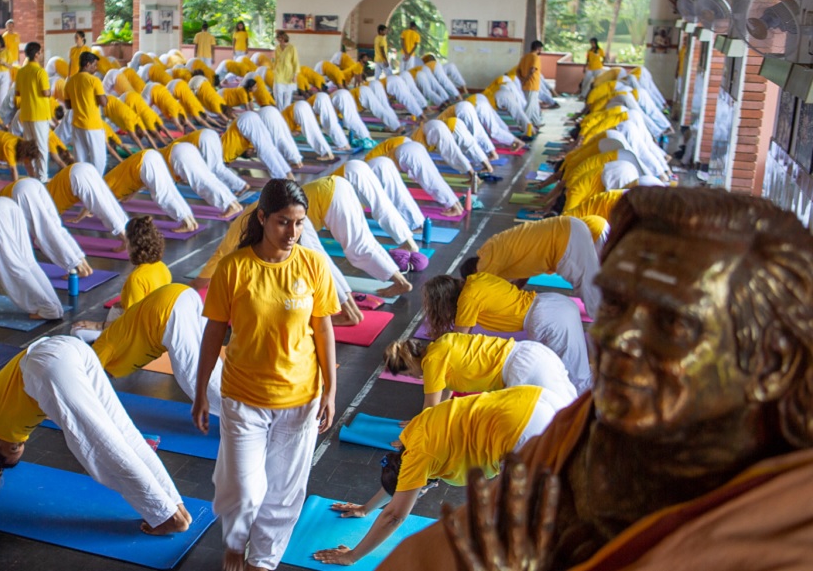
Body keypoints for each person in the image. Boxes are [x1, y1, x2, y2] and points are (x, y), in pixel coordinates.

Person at [377, 187, 813, 571]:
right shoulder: (583, 430)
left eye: (671, 324)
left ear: (774, 363)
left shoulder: (782, 537)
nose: (615, 337)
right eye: (616, 306)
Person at [0, 334, 191, 535]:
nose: (20, 446)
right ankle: (175, 506)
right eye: (19, 450)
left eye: (12, 450)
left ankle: (166, 516)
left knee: (102, 444)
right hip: (70, 349)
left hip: (48, 364)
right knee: (123, 431)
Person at [193, 179, 339, 571]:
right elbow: (213, 332)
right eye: (282, 222)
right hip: (243, 395)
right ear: (261, 218)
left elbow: (323, 327)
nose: (292, 233)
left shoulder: (312, 264)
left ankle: (263, 560)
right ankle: (236, 543)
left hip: (301, 397)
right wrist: (200, 392)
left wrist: (330, 390)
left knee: (283, 493)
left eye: (299, 223)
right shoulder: (234, 268)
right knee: (243, 490)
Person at [313, 386, 571, 566]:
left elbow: (394, 515)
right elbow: (402, 484)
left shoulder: (419, 460)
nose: (421, 492)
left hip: (525, 429)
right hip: (535, 398)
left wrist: (352, 556)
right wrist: (366, 509)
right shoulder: (414, 433)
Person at [422, 272, 590, 392]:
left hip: (547, 318)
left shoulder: (468, 299)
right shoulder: (476, 280)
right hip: (553, 303)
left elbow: (455, 342)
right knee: (573, 373)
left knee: (575, 380)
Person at [85, 283, 223, 415]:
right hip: (183, 294)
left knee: (192, 375)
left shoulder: (101, 348)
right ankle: (240, 397)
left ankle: (239, 417)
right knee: (209, 361)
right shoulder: (115, 336)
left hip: (168, 312)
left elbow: (87, 382)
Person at [384, 333, 577, 414]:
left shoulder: (431, 362)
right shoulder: (441, 344)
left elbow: (430, 408)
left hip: (523, 369)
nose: (413, 378)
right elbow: (445, 392)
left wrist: (413, 436)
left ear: (411, 361)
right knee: (572, 408)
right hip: (532, 353)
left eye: (409, 374)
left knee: (563, 418)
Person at [462, 215, 606, 314]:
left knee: (590, 290)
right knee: (593, 284)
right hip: (568, 227)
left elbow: (476, 288)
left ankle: (607, 335)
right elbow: (524, 270)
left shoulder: (485, 263)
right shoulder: (494, 248)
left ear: (473, 270)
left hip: (564, 239)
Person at [0, 178, 94, 277]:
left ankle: (76, 267)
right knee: (57, 229)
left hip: (21, 191)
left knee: (44, 233)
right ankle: (84, 265)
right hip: (32, 183)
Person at [102, 148, 200, 233]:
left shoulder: (105, 189)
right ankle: (191, 220)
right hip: (149, 156)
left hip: (144, 162)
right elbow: (132, 185)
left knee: (162, 195)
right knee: (170, 190)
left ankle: (187, 223)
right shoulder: (111, 188)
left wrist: (87, 213)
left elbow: (99, 204)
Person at [66, 52, 111, 174]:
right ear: (87, 64)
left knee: (80, 160)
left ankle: (83, 183)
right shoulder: (94, 81)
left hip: (77, 125)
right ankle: (96, 183)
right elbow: (103, 102)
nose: (96, 68)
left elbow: (68, 105)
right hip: (93, 125)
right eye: (94, 65)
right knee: (99, 160)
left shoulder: (70, 81)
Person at [16, 42, 53, 181]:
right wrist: (50, 92)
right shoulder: (40, 72)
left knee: (29, 147)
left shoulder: (21, 71)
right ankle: (42, 176)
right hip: (39, 113)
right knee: (42, 147)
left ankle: (31, 175)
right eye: (40, 52)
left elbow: (18, 92)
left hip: (26, 113)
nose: (41, 54)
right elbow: (45, 92)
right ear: (37, 54)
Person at [517, 40, 545, 128]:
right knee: (530, 106)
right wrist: (525, 79)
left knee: (534, 104)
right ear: (538, 48)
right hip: (532, 85)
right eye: (541, 49)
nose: (541, 51)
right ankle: (523, 124)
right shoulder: (535, 57)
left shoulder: (525, 57)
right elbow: (532, 70)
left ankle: (537, 122)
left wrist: (522, 80)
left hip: (526, 85)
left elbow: (518, 70)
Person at [273, 31, 300, 110]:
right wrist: (273, 70)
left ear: (285, 38)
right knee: (278, 93)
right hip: (279, 72)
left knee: (288, 95)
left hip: (289, 73)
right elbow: (276, 60)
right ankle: (280, 111)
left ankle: (285, 111)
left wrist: (295, 75)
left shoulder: (292, 48)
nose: (280, 40)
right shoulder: (277, 48)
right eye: (278, 38)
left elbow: (295, 61)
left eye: (281, 38)